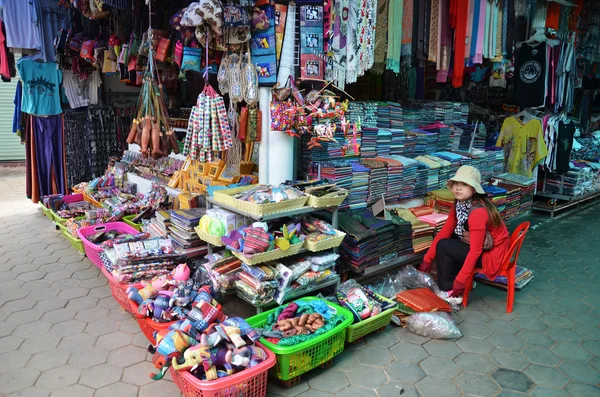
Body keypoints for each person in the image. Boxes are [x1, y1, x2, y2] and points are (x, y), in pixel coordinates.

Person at [419, 165, 510, 304]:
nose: (458, 188)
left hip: (492, 256)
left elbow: (475, 251)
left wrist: (460, 282)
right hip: (483, 247)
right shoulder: (460, 204)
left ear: (473, 189)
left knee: (444, 246)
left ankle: (451, 291)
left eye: (464, 184)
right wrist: (427, 259)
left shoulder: (477, 212)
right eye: (456, 184)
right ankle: (460, 280)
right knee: (450, 237)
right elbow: (445, 231)